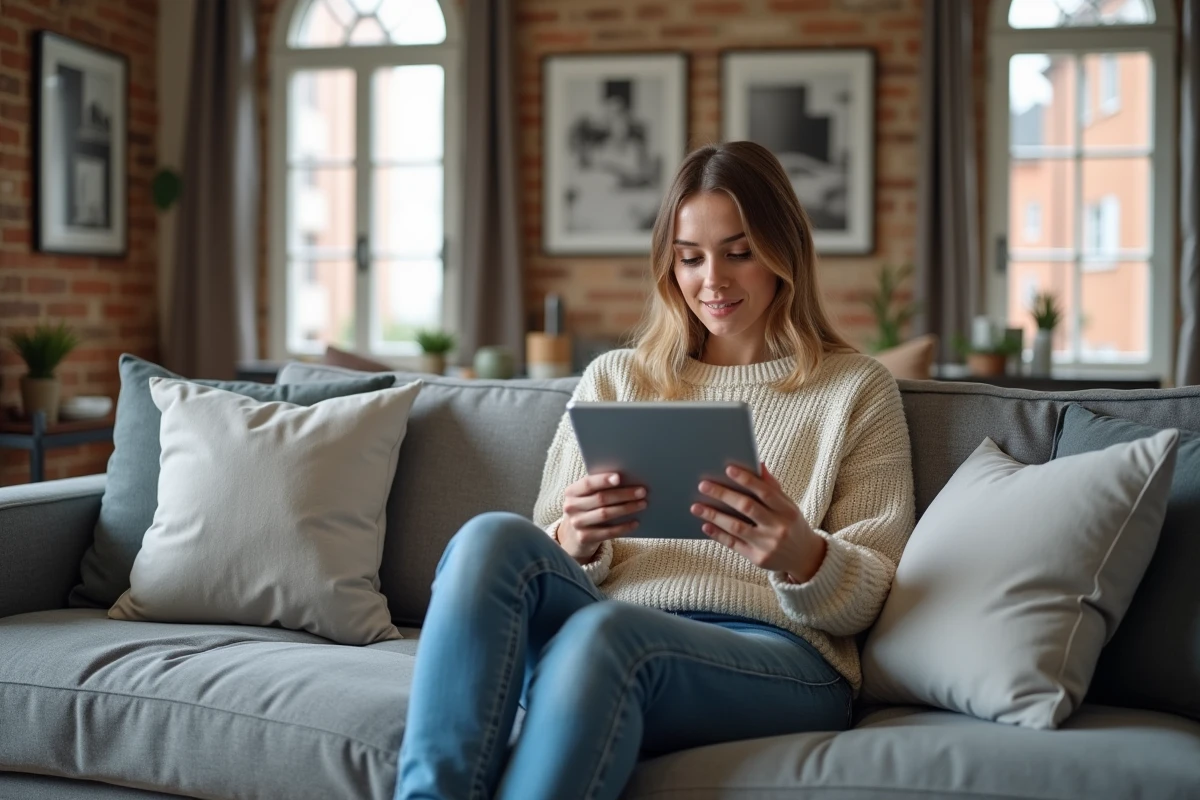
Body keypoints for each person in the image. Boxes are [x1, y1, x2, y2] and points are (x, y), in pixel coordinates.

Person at [395, 141, 916, 800]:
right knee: (486, 539)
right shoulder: (616, 378)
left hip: (779, 657)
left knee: (605, 636)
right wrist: (575, 541)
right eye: (690, 257)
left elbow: (876, 593)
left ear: (784, 252)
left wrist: (802, 555)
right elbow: (536, 559)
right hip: (602, 629)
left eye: (739, 252)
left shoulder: (855, 389)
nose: (713, 282)